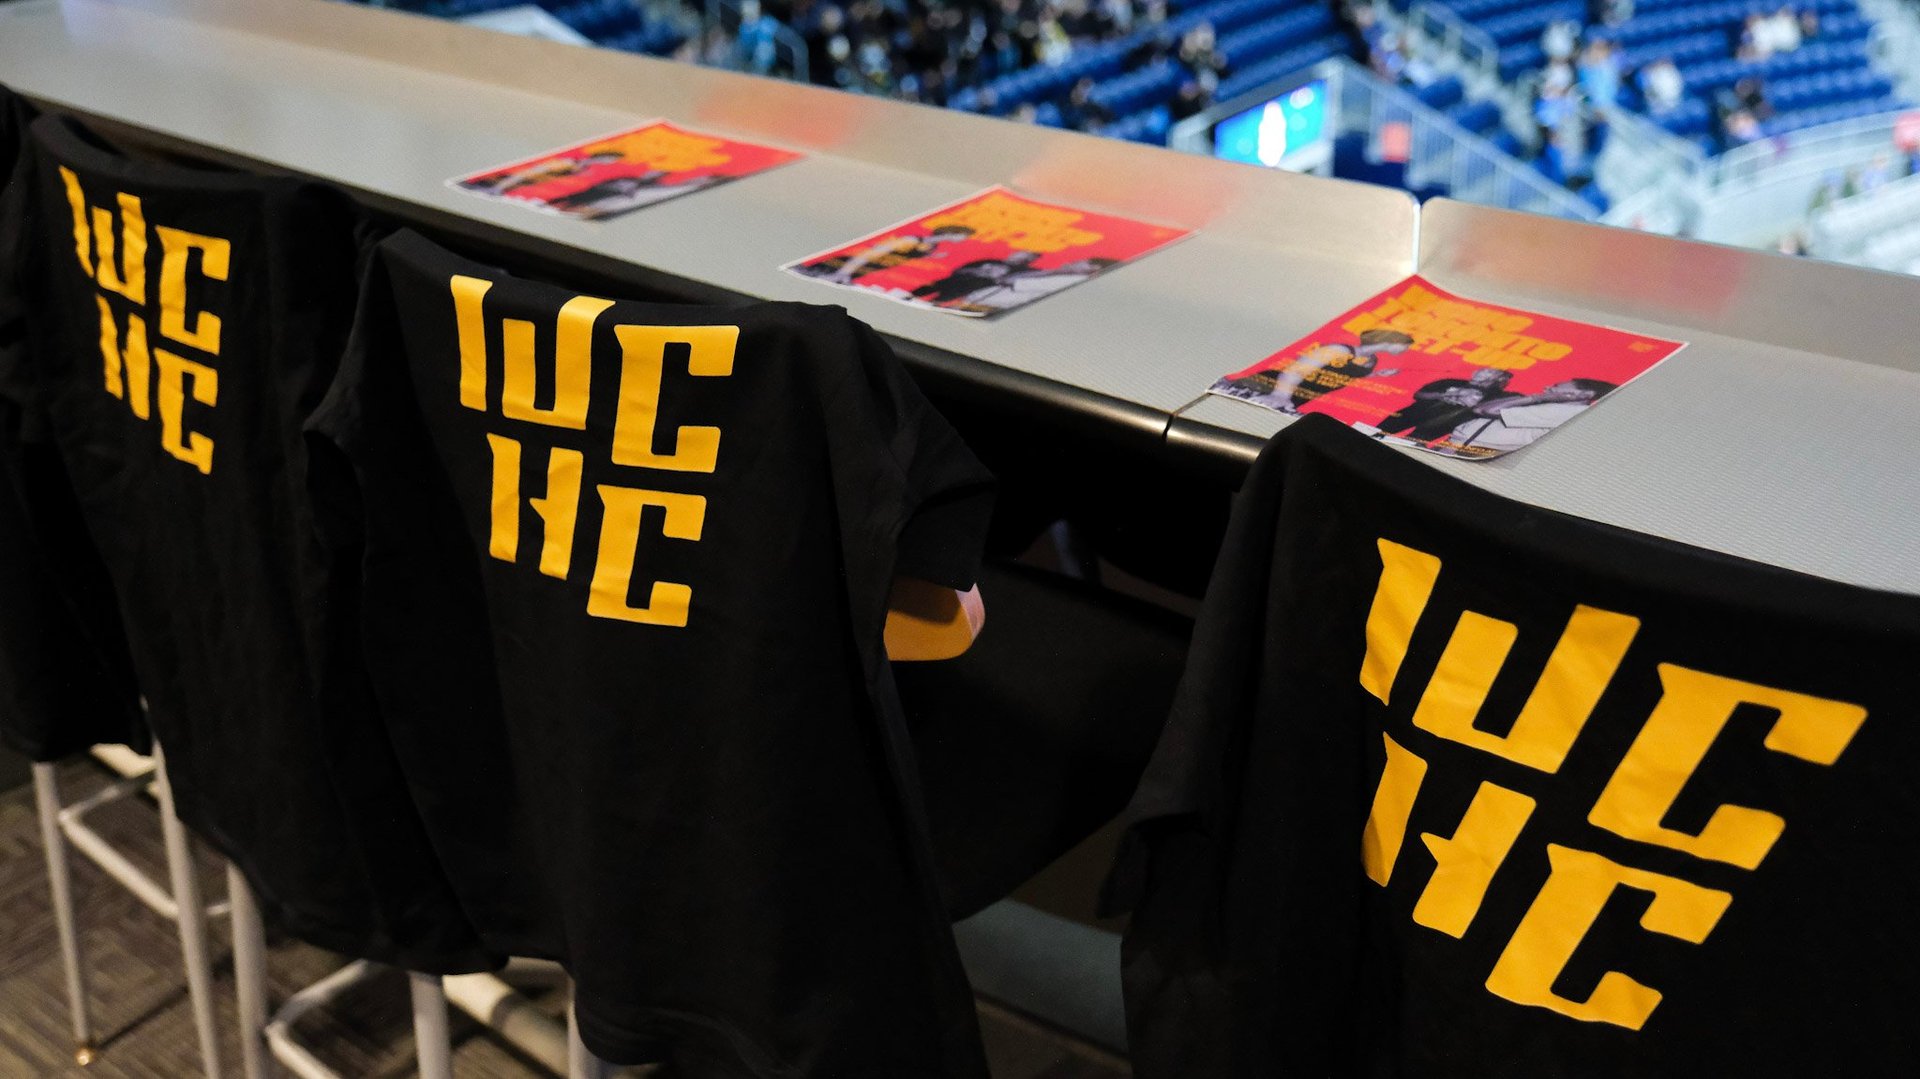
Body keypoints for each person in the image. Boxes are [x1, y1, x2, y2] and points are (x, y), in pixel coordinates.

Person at [1234, 328, 1415, 413]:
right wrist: (1280, 396)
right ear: (1394, 341)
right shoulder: (1340, 350)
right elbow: (1296, 370)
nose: (1406, 350)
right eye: (1406, 346)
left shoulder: (1371, 360)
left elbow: (1345, 375)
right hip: (1270, 389)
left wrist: (1375, 374)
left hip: (1296, 397)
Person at [1442, 377, 1616, 456]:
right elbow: (1481, 408)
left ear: (1584, 393)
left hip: (1472, 450)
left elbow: (1486, 411)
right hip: (1466, 445)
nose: (1549, 387)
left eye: (1557, 385)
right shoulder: (1555, 407)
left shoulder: (1567, 412)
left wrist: (1537, 397)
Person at [1374, 368, 1517, 442]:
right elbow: (1419, 395)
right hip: (1410, 415)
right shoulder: (1451, 381)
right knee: (1375, 433)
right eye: (1483, 369)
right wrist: (1445, 395)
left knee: (1408, 448)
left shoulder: (1499, 396)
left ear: (1499, 378)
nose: (1480, 372)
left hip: (1439, 427)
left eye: (1490, 371)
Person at [804, 224, 976, 283]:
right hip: (840, 269)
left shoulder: (931, 247)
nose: (962, 240)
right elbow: (868, 255)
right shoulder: (910, 240)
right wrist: (842, 273)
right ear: (952, 232)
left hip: (859, 272)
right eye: (962, 236)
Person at [910, 249, 1040, 305]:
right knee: (924, 290)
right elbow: (964, 268)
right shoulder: (990, 260)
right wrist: (975, 272)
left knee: (938, 300)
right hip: (956, 280)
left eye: (1027, 259)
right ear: (1015, 253)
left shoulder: (1019, 272)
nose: (1021, 260)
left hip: (969, 288)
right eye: (1021, 256)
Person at [469, 150, 624, 196]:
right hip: (536, 174)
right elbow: (535, 170)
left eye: (610, 160)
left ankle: (497, 188)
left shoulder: (584, 167)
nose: (607, 161)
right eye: (607, 158)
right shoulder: (575, 160)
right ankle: (494, 188)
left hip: (540, 182)